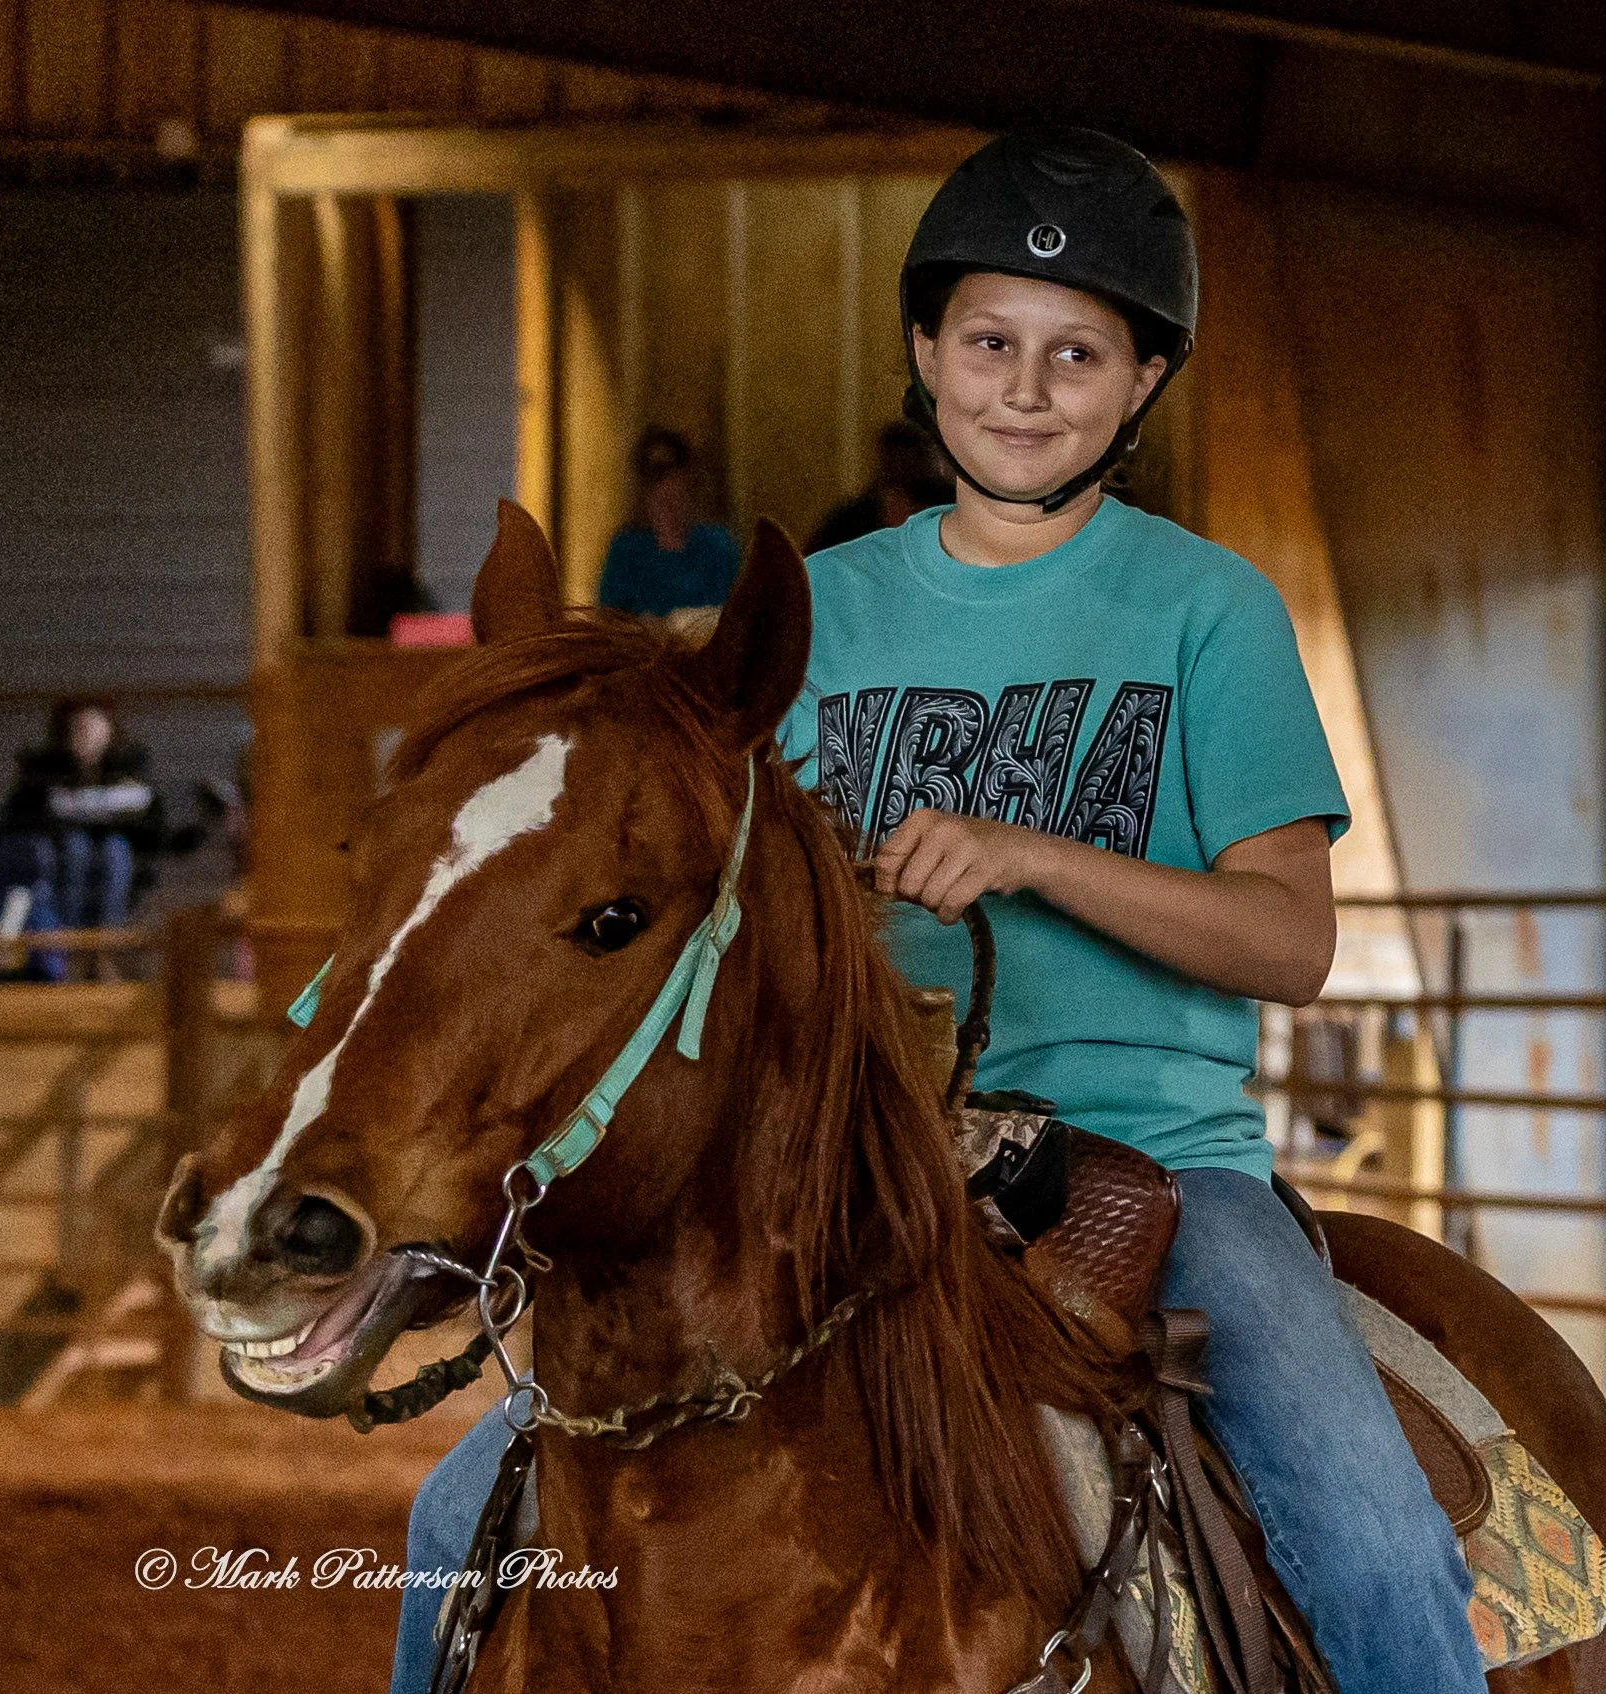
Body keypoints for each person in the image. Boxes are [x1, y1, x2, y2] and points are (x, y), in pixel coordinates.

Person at [386, 135, 1485, 1694]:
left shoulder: (1207, 609)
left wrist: (1035, 854)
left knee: (1372, 1539)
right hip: (848, 1169)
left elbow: (1289, 941)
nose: (1025, 389)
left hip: (1158, 1173)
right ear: (923, 350)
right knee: (453, 1516)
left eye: (1077, 353)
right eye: (989, 342)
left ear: (1144, 380)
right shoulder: (814, 611)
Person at [7, 698, 165, 933]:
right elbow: (22, 816)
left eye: (94, 728)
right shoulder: (42, 771)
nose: (87, 736)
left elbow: (150, 821)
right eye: (79, 729)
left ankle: (107, 937)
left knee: (115, 850)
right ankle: (68, 937)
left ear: (109, 732)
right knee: (75, 847)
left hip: (117, 845)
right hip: (59, 848)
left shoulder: (127, 768)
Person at [598, 427, 740, 621]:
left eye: (675, 490)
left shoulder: (717, 547)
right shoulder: (626, 551)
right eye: (658, 490)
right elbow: (609, 620)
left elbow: (738, 615)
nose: (668, 501)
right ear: (644, 495)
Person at [807, 418, 954, 552]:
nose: (900, 465)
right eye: (895, 457)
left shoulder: (949, 504)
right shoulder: (853, 518)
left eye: (909, 457)